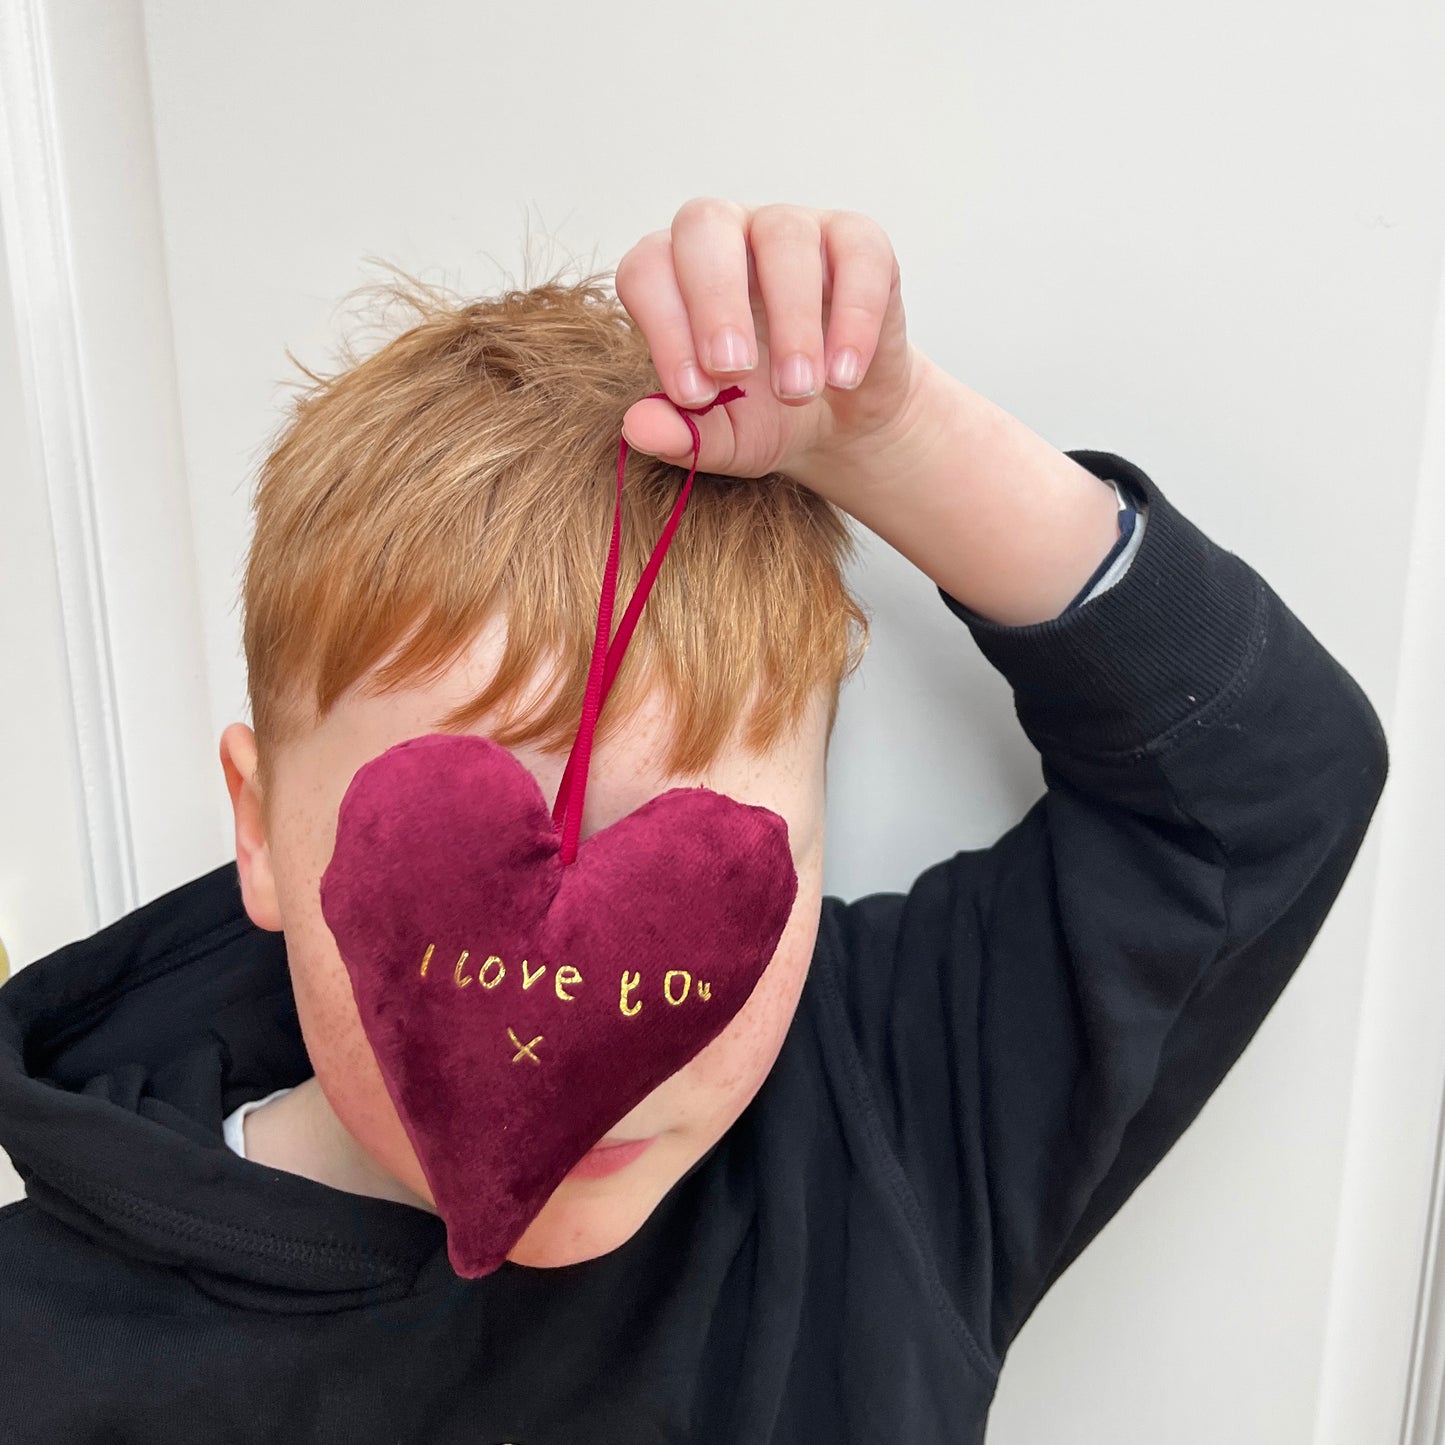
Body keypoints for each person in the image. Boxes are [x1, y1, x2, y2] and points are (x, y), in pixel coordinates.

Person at [0, 198, 1389, 1443]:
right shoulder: (40, 1350)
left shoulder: (877, 1123)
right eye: (433, 861)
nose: (574, 1032)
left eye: (681, 876)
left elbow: (1265, 788)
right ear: (259, 830)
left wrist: (891, 442)